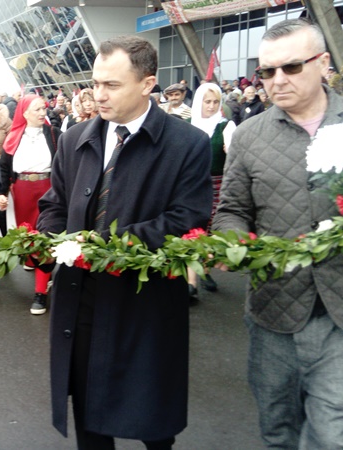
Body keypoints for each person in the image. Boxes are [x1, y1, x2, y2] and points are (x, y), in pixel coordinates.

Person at [36, 35, 212, 449]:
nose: (98, 95)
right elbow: (53, 205)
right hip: (82, 299)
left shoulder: (187, 144)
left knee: (153, 420)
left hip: (147, 306)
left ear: (147, 83)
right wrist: (53, 240)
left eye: (111, 85)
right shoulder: (73, 139)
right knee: (90, 421)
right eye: (95, 83)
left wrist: (101, 247)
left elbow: (186, 218)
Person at [213, 18, 343, 449]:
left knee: (331, 434)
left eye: (291, 67)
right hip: (274, 311)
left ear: (322, 63)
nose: (277, 80)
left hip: (339, 313)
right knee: (278, 429)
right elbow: (232, 210)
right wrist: (232, 242)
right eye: (267, 71)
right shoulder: (249, 136)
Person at [0, 94, 61, 315]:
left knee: (45, 236)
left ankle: (40, 292)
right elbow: (4, 168)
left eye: (44, 108)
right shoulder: (13, 137)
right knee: (27, 233)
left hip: (48, 189)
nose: (43, 113)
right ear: (24, 113)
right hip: (22, 191)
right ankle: (35, 263)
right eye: (37, 109)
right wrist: (1, 193)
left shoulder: (54, 134)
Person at [188, 83, 236, 294]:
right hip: (191, 183)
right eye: (207, 101)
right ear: (199, 102)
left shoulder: (226, 126)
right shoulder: (187, 125)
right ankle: (191, 281)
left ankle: (205, 268)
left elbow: (235, 152)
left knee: (208, 229)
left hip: (216, 183)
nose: (211, 106)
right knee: (191, 228)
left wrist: (230, 149)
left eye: (216, 102)